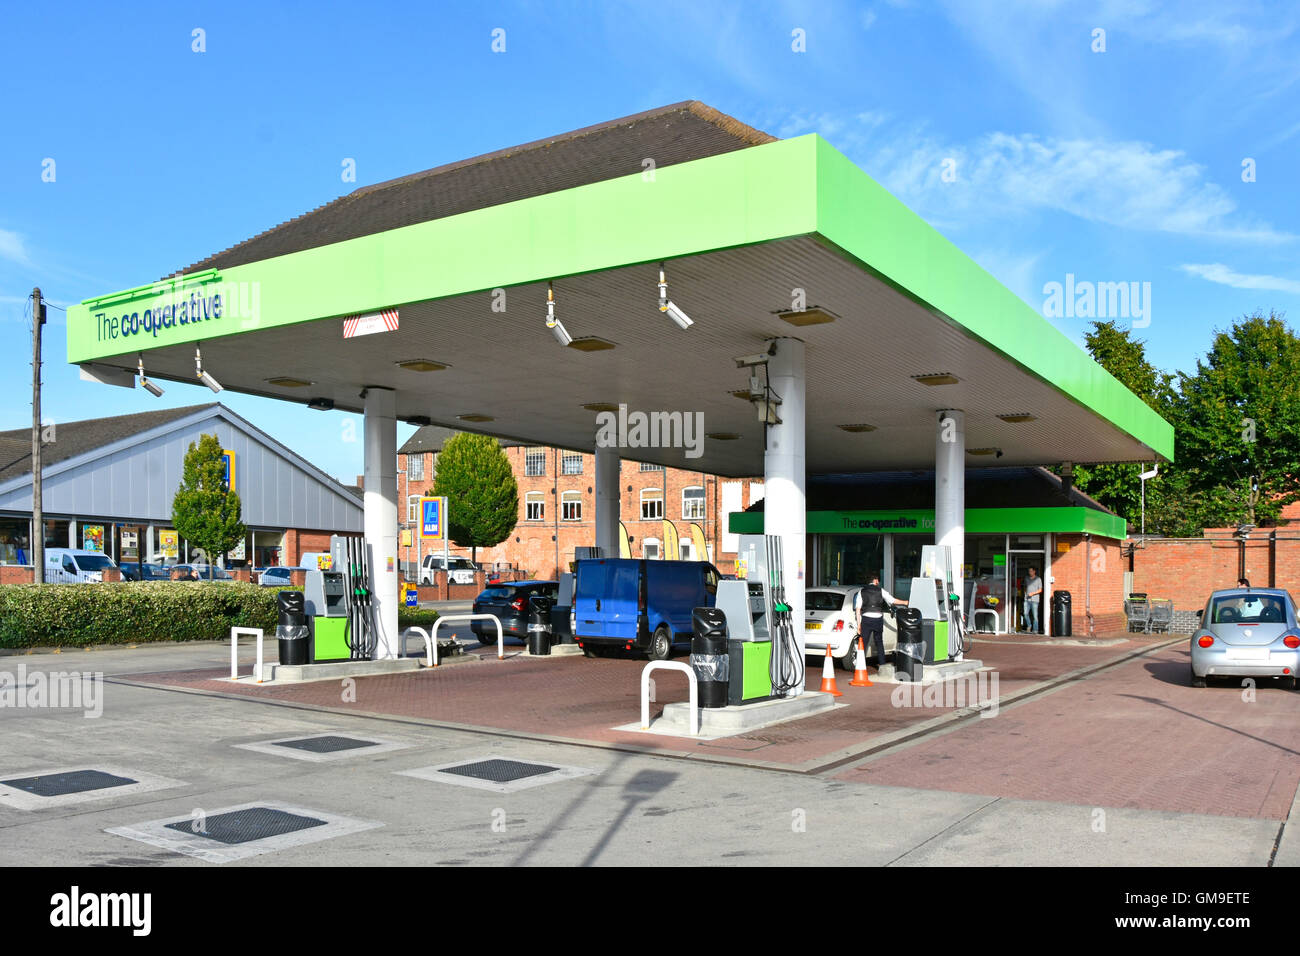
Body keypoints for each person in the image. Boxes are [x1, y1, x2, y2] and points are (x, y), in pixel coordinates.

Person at [854, 574, 907, 672]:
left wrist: (859, 625)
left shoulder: (861, 591)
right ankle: (882, 666)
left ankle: (859, 666)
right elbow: (892, 600)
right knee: (879, 643)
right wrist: (905, 602)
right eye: (877, 580)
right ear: (875, 580)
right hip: (877, 618)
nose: (878, 582)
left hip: (866, 619)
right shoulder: (880, 590)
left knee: (863, 643)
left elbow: (858, 610)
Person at [1023, 567, 1043, 633]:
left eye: (1031, 571)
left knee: (1035, 616)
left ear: (1034, 571)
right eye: (1029, 571)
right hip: (1027, 599)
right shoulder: (1026, 578)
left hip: (1035, 600)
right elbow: (1025, 587)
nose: (1030, 572)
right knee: (1025, 614)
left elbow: (1040, 590)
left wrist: (1033, 593)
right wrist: (1025, 594)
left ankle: (1035, 630)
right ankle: (1029, 625)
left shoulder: (1038, 579)